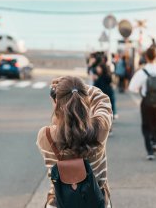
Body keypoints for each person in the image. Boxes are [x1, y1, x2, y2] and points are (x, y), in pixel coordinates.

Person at [36, 76, 113, 208]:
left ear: (56, 101)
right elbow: (103, 100)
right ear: (85, 100)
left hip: (59, 203)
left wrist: (64, 92)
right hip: (97, 201)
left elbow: (59, 125)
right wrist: (76, 88)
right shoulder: (100, 128)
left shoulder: (45, 135)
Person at [128, 47, 156, 160]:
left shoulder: (142, 72)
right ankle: (154, 141)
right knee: (155, 122)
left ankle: (149, 151)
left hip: (146, 102)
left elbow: (132, 88)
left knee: (146, 126)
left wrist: (141, 89)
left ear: (146, 57)